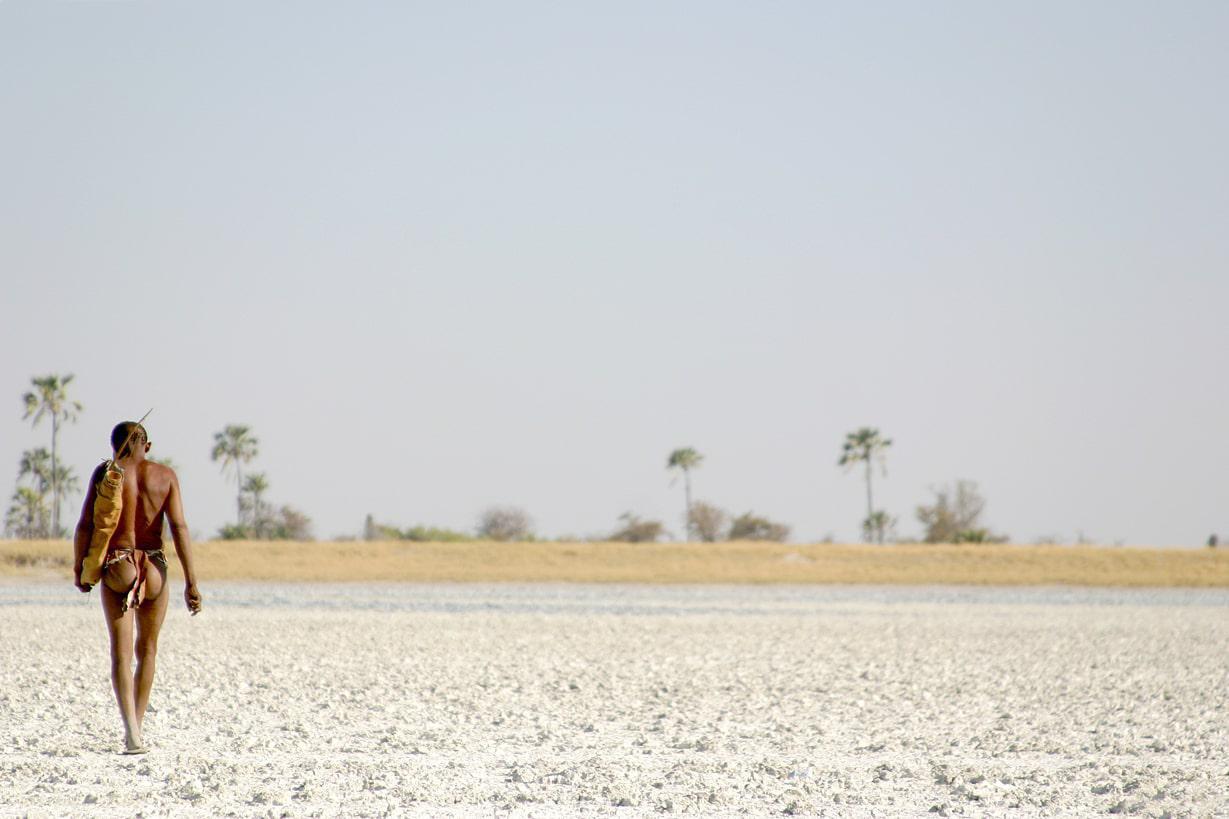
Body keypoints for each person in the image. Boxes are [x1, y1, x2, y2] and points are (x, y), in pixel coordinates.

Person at [73, 421, 202, 754]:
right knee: (148, 651)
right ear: (147, 444)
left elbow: (86, 525)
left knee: (121, 653)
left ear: (115, 446)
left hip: (120, 567)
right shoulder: (166, 475)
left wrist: (80, 569)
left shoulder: (108, 472)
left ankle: (131, 731)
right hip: (155, 568)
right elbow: (180, 527)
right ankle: (138, 727)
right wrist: (192, 582)